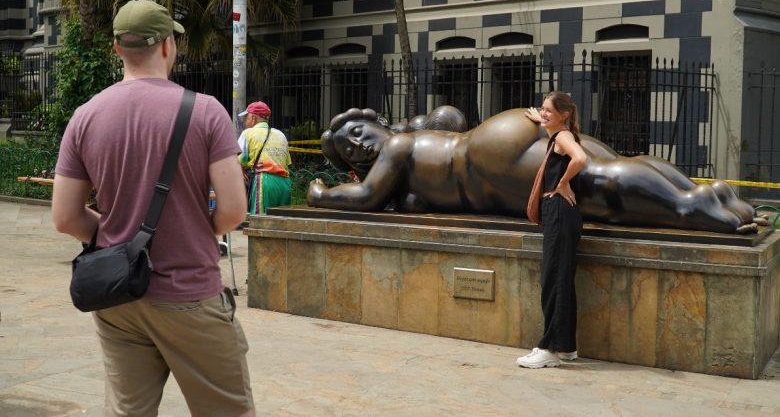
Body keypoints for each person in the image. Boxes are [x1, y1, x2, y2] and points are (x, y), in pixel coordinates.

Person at [52, 0, 254, 416]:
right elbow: (234, 211)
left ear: (116, 48)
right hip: (189, 295)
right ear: (166, 45)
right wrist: (195, 230)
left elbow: (65, 217)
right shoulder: (205, 112)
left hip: (118, 296)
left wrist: (118, 239)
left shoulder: (85, 116)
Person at [307, 106, 758, 234]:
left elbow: (366, 199)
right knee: (604, 167)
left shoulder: (399, 146)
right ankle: (709, 192)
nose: (361, 144)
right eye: (351, 147)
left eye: (362, 131)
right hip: (495, 140)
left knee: (593, 186)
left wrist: (322, 195)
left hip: (488, 157)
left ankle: (687, 206)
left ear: (379, 126)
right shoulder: (416, 146)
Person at [515, 91, 587, 369]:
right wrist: (540, 120)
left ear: (564, 115)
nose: (543, 113)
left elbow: (579, 158)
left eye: (548, 110)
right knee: (562, 280)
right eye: (541, 109)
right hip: (563, 215)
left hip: (559, 211)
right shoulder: (558, 135)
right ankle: (566, 347)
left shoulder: (563, 137)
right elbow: (560, 144)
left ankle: (548, 349)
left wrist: (562, 183)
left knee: (553, 281)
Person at [237, 101, 291, 215]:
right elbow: (286, 163)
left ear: (253, 117)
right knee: (281, 224)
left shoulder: (248, 133)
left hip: (264, 182)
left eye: (246, 117)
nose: (245, 121)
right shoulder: (281, 135)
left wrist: (240, 168)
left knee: (259, 224)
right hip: (285, 184)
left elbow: (239, 159)